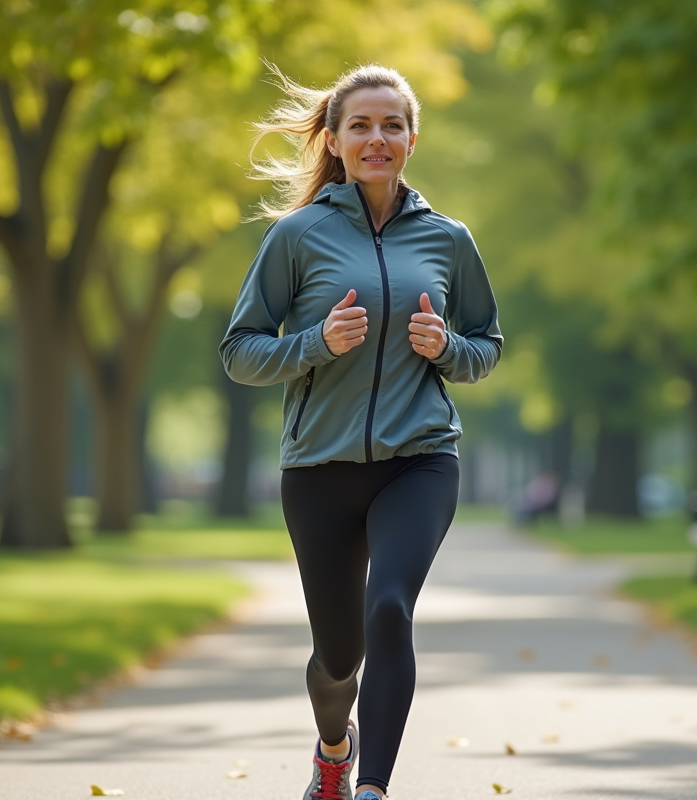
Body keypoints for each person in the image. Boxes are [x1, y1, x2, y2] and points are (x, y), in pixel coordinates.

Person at [220, 63, 502, 800]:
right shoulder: (296, 236)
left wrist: (448, 350)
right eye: (361, 125)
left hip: (420, 460)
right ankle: (334, 749)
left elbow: (487, 344)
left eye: (392, 125)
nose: (378, 138)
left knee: (390, 609)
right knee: (339, 655)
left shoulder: (448, 238)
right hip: (319, 468)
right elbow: (240, 351)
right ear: (337, 141)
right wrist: (315, 343)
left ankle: (372, 788)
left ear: (412, 138)